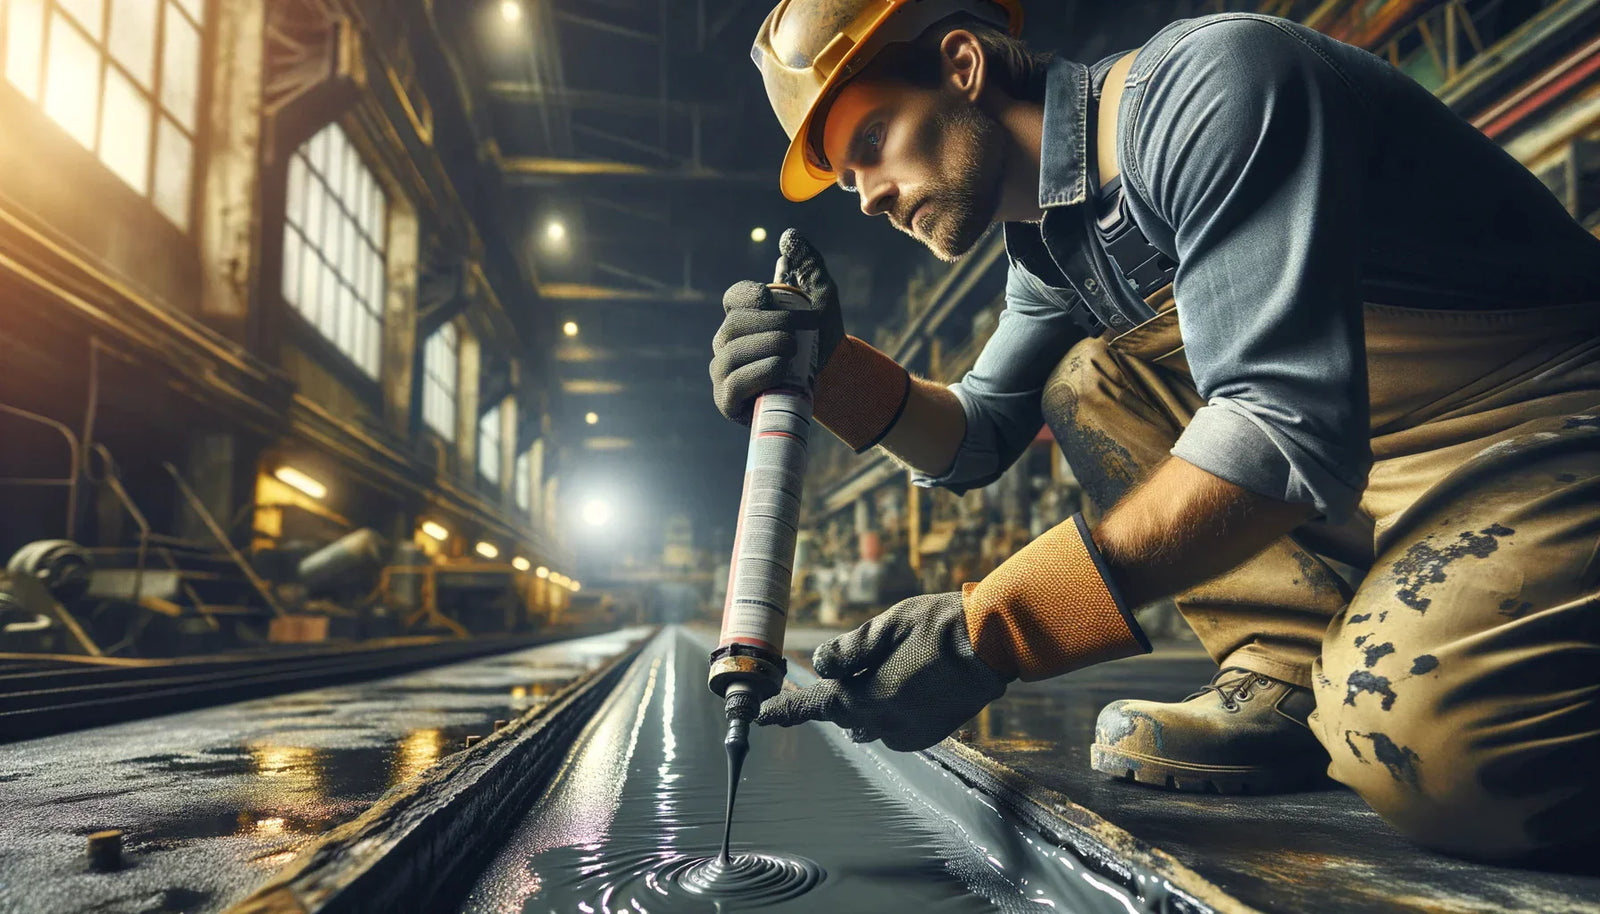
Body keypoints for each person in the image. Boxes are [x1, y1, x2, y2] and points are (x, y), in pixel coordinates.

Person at [710, 0, 1600, 860]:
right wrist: (833, 372)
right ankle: (1282, 672)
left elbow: (1278, 430)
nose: (862, 198)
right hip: (1371, 461)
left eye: (870, 142)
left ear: (962, 66)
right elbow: (977, 436)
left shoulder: (1214, 88)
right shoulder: (1054, 245)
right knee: (1084, 378)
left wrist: (996, 629)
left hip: (1542, 424)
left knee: (1431, 752)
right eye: (845, 174)